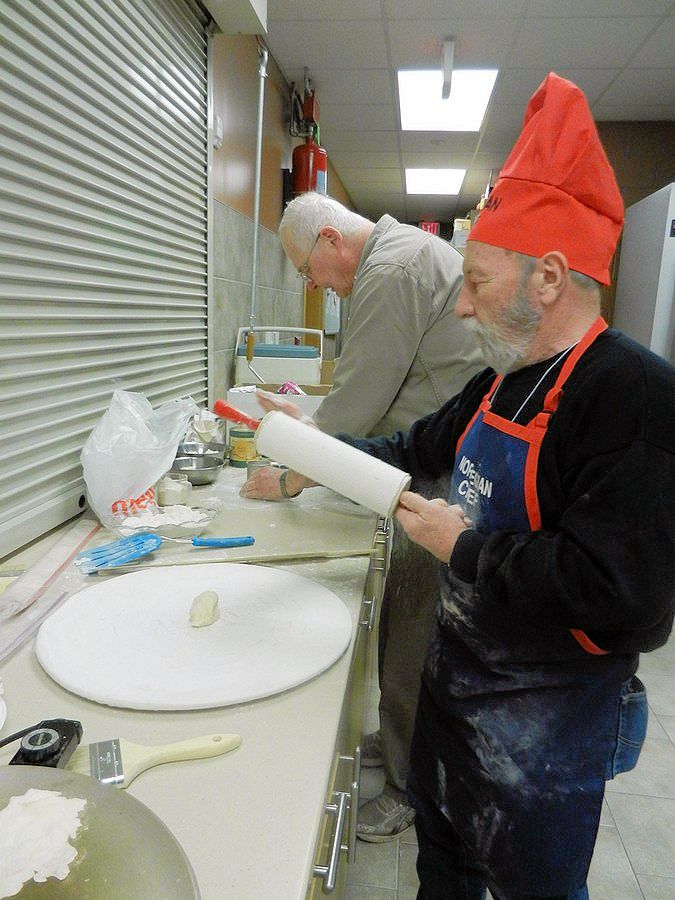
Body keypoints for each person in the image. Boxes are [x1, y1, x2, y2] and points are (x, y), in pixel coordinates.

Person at [244, 73, 675, 899]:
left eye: (474, 282)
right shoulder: (499, 379)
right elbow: (414, 445)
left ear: (546, 278)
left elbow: (628, 600)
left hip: (544, 726)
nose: (464, 309)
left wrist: (467, 548)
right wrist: (313, 459)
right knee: (441, 872)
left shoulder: (635, 399)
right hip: (456, 692)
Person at [244, 192, 483, 840]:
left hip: (441, 477)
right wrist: (311, 432)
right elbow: (364, 396)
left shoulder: (391, 270)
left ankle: (410, 786)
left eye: (307, 269)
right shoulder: (395, 260)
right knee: (400, 625)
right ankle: (397, 743)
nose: (313, 283)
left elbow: (358, 402)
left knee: (409, 629)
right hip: (429, 459)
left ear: (329, 240)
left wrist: (292, 472)